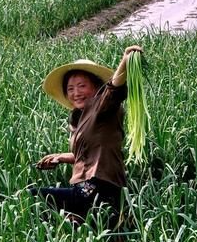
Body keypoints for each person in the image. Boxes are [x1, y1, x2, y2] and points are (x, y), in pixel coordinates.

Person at [31, 45, 143, 227]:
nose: (76, 93)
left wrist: (125, 60)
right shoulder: (81, 118)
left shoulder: (103, 107)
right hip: (86, 188)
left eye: (82, 86)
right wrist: (60, 157)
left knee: (32, 197)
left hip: (100, 187)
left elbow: (114, 89)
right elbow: (89, 155)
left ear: (97, 88)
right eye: (71, 88)